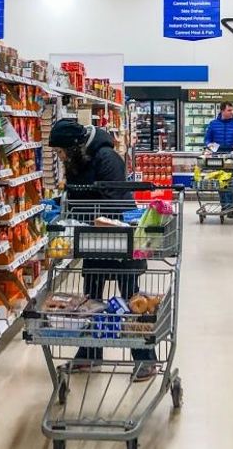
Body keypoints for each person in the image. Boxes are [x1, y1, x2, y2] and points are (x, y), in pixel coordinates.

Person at [48, 118, 158, 382]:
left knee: (131, 298)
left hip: (119, 238)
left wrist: (81, 209)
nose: (59, 156)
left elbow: (111, 201)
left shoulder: (107, 157)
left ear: (73, 146)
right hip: (93, 240)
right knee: (91, 300)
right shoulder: (76, 160)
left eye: (61, 151)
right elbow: (76, 197)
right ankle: (89, 353)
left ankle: (145, 359)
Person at [203, 102, 233, 212]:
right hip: (217, 157)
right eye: (229, 110)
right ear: (222, 111)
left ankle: (230, 207)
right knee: (221, 183)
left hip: (232, 156)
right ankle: (224, 206)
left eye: (232, 110)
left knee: (232, 183)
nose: (232, 112)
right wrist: (208, 144)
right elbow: (207, 139)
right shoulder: (213, 124)